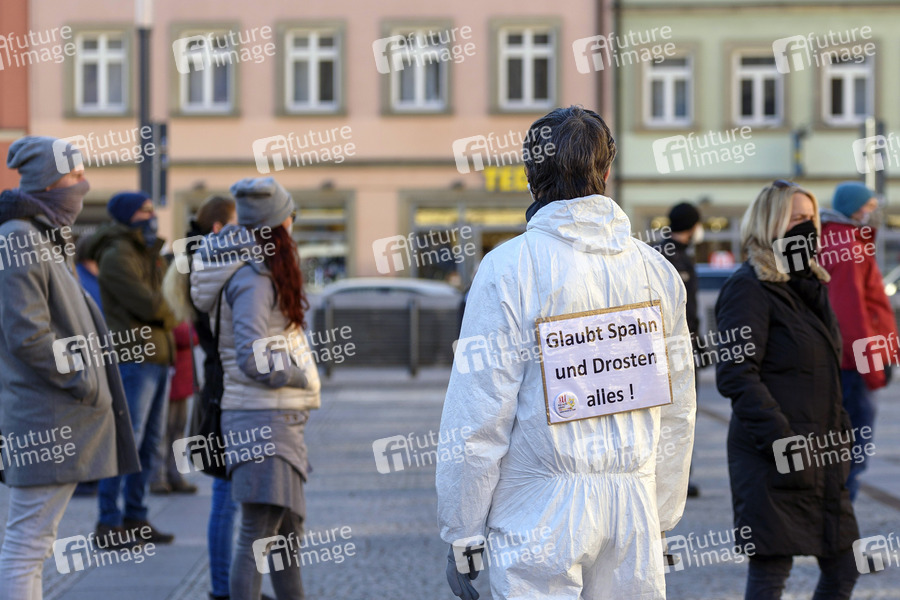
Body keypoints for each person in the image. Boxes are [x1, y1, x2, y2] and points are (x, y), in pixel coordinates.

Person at [436, 106, 696, 600]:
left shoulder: (508, 269)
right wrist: (660, 512)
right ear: (607, 171)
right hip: (632, 511)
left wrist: (463, 531)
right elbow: (677, 409)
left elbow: (479, 417)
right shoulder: (656, 272)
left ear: (530, 176)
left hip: (538, 512)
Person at [0, 136, 140, 599]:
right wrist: (83, 380)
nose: (84, 184)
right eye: (75, 175)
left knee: (34, 543)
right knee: (27, 545)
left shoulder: (43, 234)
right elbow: (27, 334)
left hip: (52, 411)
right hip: (44, 417)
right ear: (48, 181)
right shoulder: (20, 237)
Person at [715, 180, 860, 600]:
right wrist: (784, 444)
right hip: (773, 456)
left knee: (844, 567)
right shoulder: (749, 286)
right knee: (771, 573)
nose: (807, 227)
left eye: (811, 218)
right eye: (796, 218)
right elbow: (736, 375)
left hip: (823, 458)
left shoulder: (811, 284)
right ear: (770, 223)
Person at [191, 177, 320, 600]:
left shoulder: (257, 270)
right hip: (262, 419)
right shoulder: (252, 278)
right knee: (258, 534)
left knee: (285, 538)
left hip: (272, 416)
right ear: (277, 223)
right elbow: (252, 354)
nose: (293, 222)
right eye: (290, 215)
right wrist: (297, 374)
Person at [161, 194, 245, 600]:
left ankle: (230, 586)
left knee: (229, 497)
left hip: (217, 389)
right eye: (239, 224)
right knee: (227, 498)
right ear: (219, 228)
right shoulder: (211, 267)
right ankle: (223, 589)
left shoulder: (198, 264)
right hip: (223, 392)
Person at [86, 190, 177, 545]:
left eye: (152, 209)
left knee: (149, 443)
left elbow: (170, 297)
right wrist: (174, 310)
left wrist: (170, 304)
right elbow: (152, 305)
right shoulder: (116, 254)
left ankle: (136, 517)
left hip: (158, 355)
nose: (151, 216)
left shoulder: (148, 252)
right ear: (126, 216)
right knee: (126, 441)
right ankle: (108, 522)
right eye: (143, 211)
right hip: (134, 356)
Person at [819, 181, 899, 501]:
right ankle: (839, 523)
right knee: (853, 451)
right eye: (869, 206)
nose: (873, 213)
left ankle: (835, 518)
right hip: (853, 366)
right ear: (854, 208)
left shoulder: (838, 239)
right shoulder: (847, 247)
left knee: (843, 449)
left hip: (845, 362)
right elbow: (851, 317)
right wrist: (875, 368)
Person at [654, 201, 704, 497]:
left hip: (674, 347)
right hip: (675, 349)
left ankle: (676, 478)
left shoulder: (665, 252)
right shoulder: (673, 256)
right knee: (679, 417)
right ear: (692, 226)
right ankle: (677, 480)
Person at [149, 319, 199, 495]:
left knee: (178, 429)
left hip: (182, 376)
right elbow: (185, 335)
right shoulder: (171, 310)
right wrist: (191, 332)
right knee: (163, 430)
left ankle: (175, 474)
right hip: (171, 373)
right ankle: (157, 476)